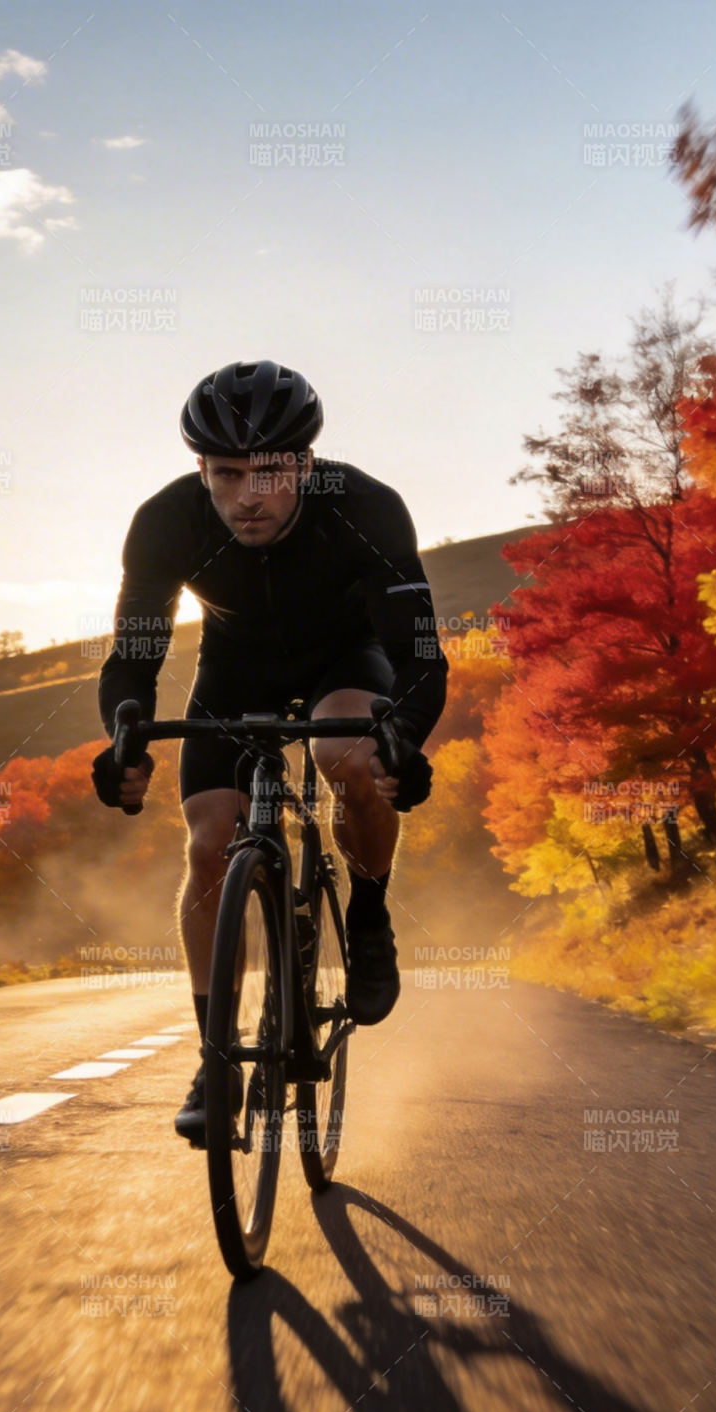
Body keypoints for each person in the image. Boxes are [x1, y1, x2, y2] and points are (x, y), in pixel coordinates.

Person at [91, 360, 447, 1145]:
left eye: (270, 472)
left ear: (306, 466)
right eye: (226, 474)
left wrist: (405, 741)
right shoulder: (167, 521)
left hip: (345, 663)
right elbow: (133, 653)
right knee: (211, 843)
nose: (246, 495)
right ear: (201, 470)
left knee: (352, 758)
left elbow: (420, 656)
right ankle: (215, 1059)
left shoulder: (365, 508)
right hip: (233, 670)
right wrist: (124, 732)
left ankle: (370, 907)